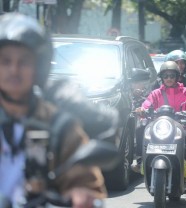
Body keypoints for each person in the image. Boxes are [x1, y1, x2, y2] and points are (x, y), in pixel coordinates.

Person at [0, 13, 106, 207]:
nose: (14, 70)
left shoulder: (59, 125)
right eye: (5, 61)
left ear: (38, 67)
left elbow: (86, 183)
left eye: (23, 62)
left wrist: (81, 194)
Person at [133, 61, 186, 173]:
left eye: (172, 76)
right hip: (159, 127)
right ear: (162, 78)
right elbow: (147, 104)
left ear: (177, 77)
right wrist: (142, 110)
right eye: (165, 76)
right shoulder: (155, 93)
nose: (169, 79)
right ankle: (140, 162)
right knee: (141, 127)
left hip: (182, 126)